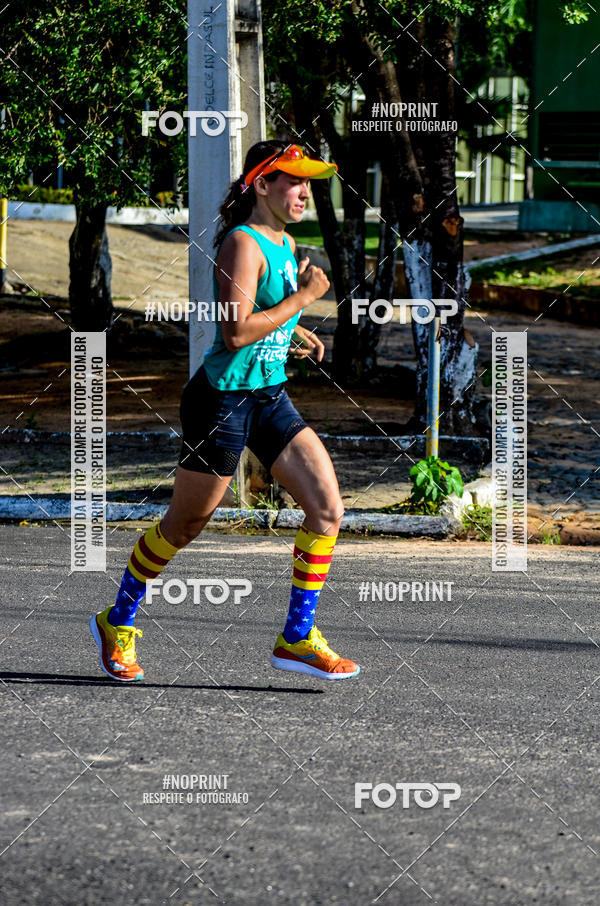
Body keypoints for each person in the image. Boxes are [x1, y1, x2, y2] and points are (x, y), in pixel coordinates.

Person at [90, 139, 360, 682]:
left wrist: (293, 331)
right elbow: (235, 332)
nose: (304, 191)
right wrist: (304, 299)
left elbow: (263, 313)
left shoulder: (283, 242)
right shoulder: (243, 243)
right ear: (262, 184)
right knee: (185, 524)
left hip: (268, 396)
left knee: (327, 509)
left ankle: (296, 637)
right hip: (221, 400)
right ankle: (116, 620)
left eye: (307, 182)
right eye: (293, 180)